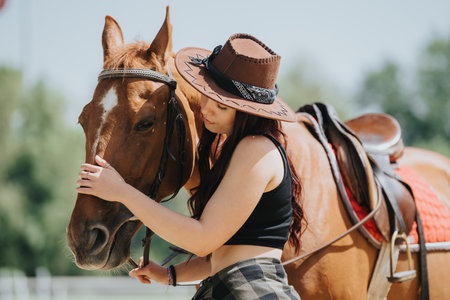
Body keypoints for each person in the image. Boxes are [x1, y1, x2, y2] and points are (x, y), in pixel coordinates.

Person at [76, 33, 303, 299]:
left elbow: (203, 239)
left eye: (222, 105)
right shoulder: (238, 150)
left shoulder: (256, 149)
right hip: (228, 286)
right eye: (206, 95)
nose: (206, 109)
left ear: (247, 111)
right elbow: (219, 256)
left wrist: (121, 192)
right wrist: (170, 275)